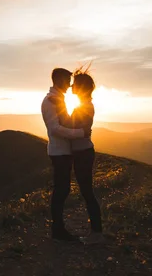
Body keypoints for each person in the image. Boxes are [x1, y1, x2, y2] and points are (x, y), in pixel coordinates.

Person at [41, 68, 91, 241]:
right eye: (67, 80)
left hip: (63, 151)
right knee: (61, 189)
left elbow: (66, 123)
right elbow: (54, 129)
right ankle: (58, 230)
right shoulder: (50, 101)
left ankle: (58, 229)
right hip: (59, 151)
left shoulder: (57, 99)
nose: (70, 85)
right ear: (59, 80)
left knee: (63, 189)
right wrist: (80, 133)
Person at [69, 66, 104, 244]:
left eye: (74, 84)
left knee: (87, 192)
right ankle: (96, 232)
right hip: (82, 152)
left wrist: (60, 129)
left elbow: (81, 131)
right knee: (86, 191)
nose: (71, 87)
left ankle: (97, 233)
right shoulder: (84, 105)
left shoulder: (85, 107)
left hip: (83, 152)